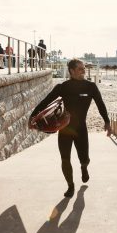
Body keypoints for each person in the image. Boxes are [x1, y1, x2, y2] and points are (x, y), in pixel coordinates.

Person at [30, 59, 111, 198]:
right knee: (65, 159)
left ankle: (84, 167)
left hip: (81, 130)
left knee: (84, 158)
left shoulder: (91, 87)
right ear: (72, 71)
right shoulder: (63, 87)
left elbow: (101, 105)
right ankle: (70, 186)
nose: (84, 71)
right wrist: (32, 117)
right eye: (80, 69)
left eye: (84, 68)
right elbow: (45, 101)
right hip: (65, 128)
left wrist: (107, 122)